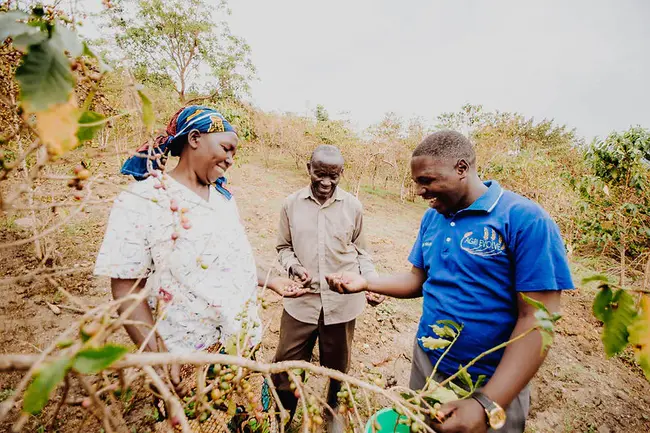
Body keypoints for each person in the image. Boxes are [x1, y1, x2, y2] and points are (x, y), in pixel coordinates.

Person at [327, 131, 574, 433]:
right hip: (429, 366)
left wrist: (487, 403)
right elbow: (417, 279)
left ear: (461, 169)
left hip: (493, 377)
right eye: (417, 182)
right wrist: (365, 282)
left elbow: (538, 318)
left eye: (427, 180)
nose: (420, 191)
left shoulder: (526, 220)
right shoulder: (433, 218)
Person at [94, 106, 305, 421]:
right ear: (194, 138)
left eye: (234, 152)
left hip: (243, 345)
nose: (231, 159)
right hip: (187, 357)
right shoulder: (145, 199)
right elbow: (126, 286)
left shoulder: (223, 200)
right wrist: (158, 355)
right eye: (225, 148)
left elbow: (234, 259)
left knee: (249, 422)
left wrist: (271, 280)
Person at [272, 145, 384, 430]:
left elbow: (362, 253)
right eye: (320, 173)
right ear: (309, 168)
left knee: (338, 368)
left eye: (333, 176)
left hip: (342, 305)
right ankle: (282, 415)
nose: (325, 182)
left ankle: (332, 411)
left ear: (341, 173)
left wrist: (370, 283)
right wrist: (293, 266)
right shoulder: (291, 204)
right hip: (301, 302)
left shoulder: (353, 207)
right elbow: (283, 247)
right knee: (286, 367)